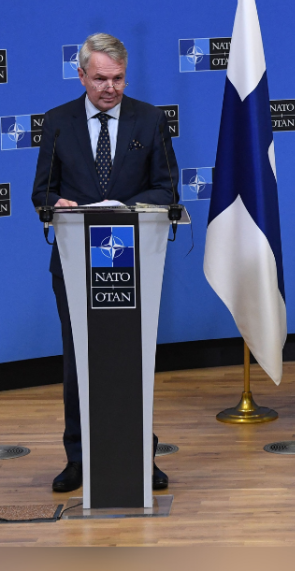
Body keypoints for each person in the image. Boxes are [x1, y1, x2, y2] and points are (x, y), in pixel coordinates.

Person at [32, 33, 178, 493]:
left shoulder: (149, 120)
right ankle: (78, 459)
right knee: (79, 360)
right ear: (81, 75)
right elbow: (41, 193)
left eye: (117, 79)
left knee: (131, 357)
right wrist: (61, 204)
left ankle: (140, 454)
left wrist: (121, 207)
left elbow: (166, 189)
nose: (109, 88)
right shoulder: (58, 122)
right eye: (99, 79)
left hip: (133, 258)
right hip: (76, 261)